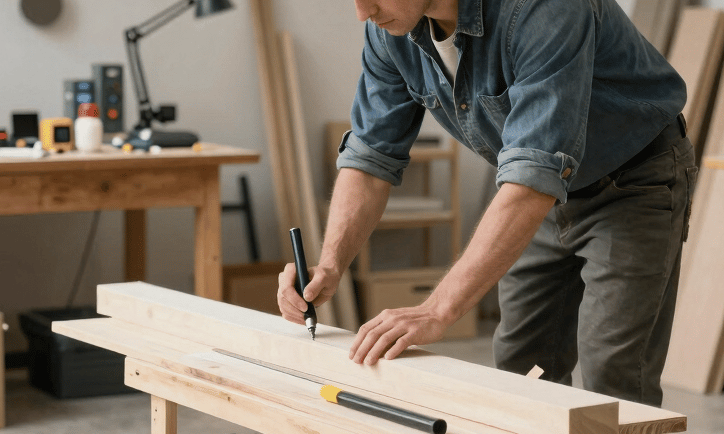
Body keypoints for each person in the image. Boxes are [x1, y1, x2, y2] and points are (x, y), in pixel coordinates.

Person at [277, 0, 695, 407]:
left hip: (631, 182)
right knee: (524, 366)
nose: (361, 12)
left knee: (614, 376)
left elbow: (534, 177)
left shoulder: (544, 8)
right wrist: (330, 265)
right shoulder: (391, 30)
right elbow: (369, 159)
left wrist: (437, 309)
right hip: (533, 193)